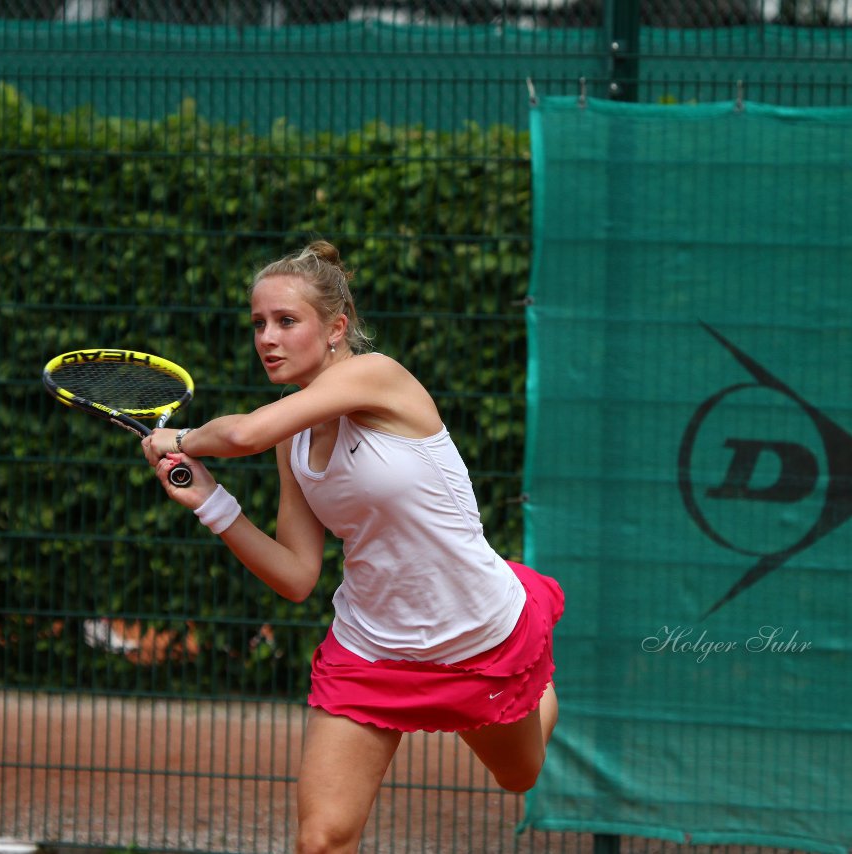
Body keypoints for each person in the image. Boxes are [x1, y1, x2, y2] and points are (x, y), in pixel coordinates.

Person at [140, 241, 564, 854]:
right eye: (259, 323)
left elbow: (242, 433)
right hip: (370, 646)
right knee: (322, 840)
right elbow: (295, 575)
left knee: (518, 775)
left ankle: (541, 679)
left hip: (478, 633)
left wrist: (177, 436)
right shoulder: (295, 438)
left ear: (337, 327)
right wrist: (211, 503)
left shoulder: (378, 375)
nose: (268, 338)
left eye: (287, 321)